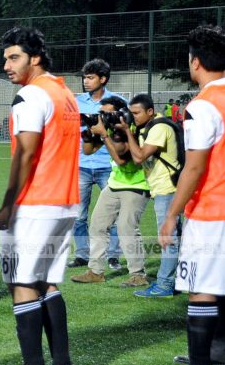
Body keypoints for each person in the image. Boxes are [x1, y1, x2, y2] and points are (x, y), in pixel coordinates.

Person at [0, 27, 80, 365]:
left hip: (36, 202)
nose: (6, 65)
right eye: (6, 58)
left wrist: (7, 203)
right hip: (65, 202)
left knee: (22, 282)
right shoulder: (64, 92)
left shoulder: (30, 95)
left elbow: (26, 153)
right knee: (48, 283)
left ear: (35, 57)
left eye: (14, 57)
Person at [155, 24, 225, 365]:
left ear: (194, 62)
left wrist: (171, 214)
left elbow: (195, 166)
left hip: (212, 211)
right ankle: (211, 357)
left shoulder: (202, 106)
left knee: (201, 288)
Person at [71, 96, 150, 288]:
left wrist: (105, 135)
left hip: (136, 185)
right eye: (101, 113)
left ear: (120, 113)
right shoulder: (108, 128)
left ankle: (138, 274)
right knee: (97, 226)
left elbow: (122, 158)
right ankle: (96, 271)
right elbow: (88, 150)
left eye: (107, 113)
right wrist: (88, 133)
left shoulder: (131, 129)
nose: (103, 117)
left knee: (126, 228)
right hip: (114, 184)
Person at [120, 94, 182, 298]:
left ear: (149, 111)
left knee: (168, 238)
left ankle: (164, 285)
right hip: (162, 189)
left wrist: (127, 132)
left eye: (136, 113)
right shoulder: (146, 128)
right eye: (131, 113)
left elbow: (139, 156)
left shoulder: (159, 127)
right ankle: (178, 281)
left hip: (168, 189)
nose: (133, 117)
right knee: (174, 237)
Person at [70, 58, 122, 270]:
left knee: (114, 216)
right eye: (85, 77)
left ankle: (113, 255)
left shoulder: (116, 102)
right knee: (78, 215)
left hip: (107, 167)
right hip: (81, 166)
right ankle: (82, 254)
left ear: (103, 79)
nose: (86, 81)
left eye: (90, 77)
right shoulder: (76, 102)